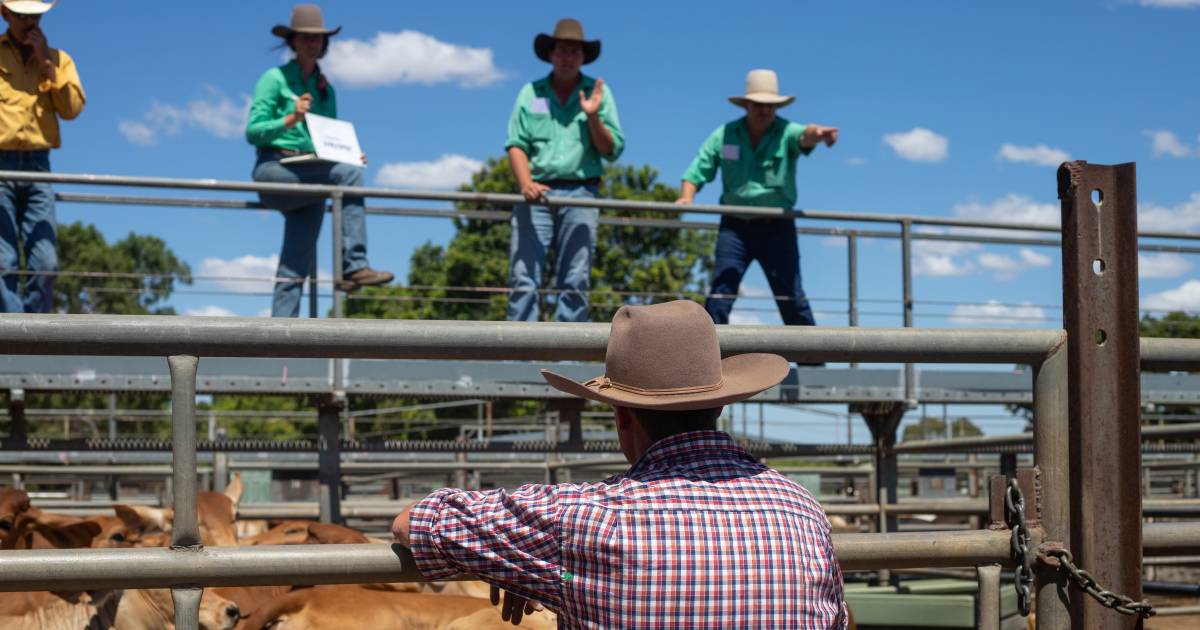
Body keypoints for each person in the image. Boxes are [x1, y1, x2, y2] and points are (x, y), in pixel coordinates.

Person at [392, 300, 847, 628]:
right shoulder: (799, 507)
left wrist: (512, 561)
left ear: (621, 414)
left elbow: (411, 524)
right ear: (719, 406)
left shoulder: (579, 518)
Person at [245, 4, 392, 318]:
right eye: (306, 37)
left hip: (311, 179)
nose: (313, 43)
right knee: (349, 176)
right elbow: (253, 132)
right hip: (275, 170)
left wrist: (348, 155)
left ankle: (278, 338)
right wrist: (290, 118)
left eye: (318, 38)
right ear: (293, 41)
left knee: (294, 264)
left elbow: (328, 142)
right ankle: (354, 266)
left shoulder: (327, 91)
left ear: (325, 43)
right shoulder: (274, 78)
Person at [677, 69, 838, 328]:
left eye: (769, 106)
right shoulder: (725, 134)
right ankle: (708, 363)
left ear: (776, 107)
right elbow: (699, 167)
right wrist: (686, 197)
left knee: (792, 298)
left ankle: (813, 367)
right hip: (735, 228)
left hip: (777, 226)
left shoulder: (786, 131)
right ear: (746, 105)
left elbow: (805, 135)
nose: (764, 111)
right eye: (758, 105)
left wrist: (819, 135)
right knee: (720, 295)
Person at [504, 18, 624, 323]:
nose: (568, 57)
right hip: (536, 192)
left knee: (576, 278)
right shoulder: (531, 93)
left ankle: (566, 361)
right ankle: (516, 355)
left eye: (575, 51)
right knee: (523, 277)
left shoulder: (598, 92)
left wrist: (594, 117)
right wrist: (525, 183)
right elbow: (516, 143)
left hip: (582, 193)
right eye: (562, 50)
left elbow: (612, 150)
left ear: (583, 57)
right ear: (551, 54)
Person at [0, 0, 84, 313]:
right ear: (5, 14)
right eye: (22, 15)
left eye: (35, 15)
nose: (30, 22)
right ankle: (12, 343)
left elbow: (72, 109)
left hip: (39, 166)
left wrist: (46, 65)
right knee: (2, 262)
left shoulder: (59, 60)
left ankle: (35, 341)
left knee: (45, 262)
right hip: (1, 165)